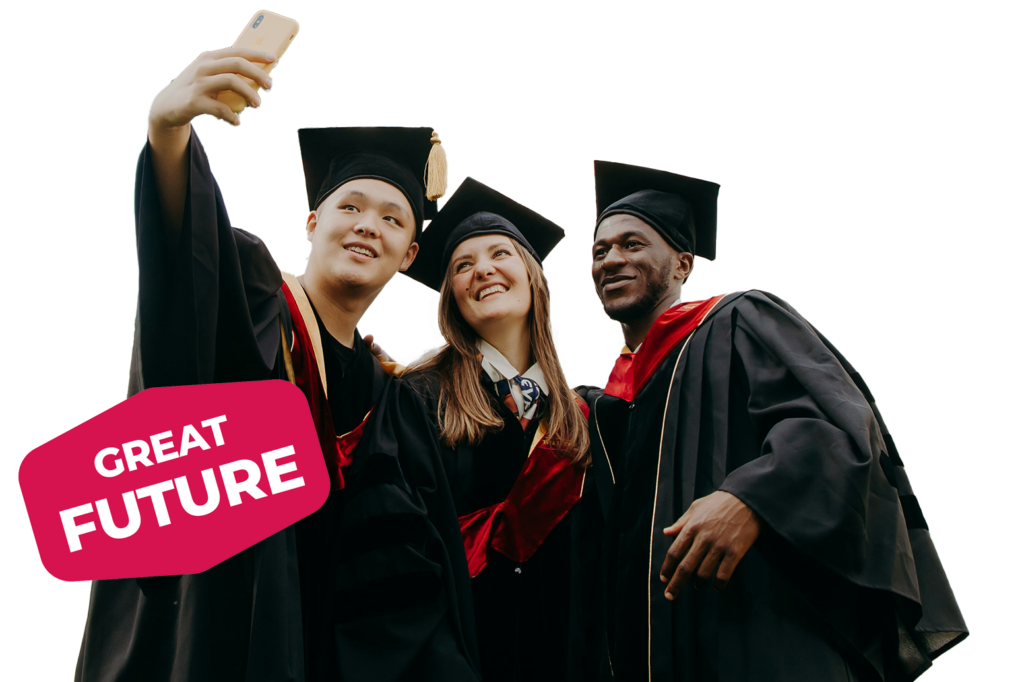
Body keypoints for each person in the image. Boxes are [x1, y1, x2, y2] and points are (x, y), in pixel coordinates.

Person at [74, 46, 478, 682]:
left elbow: (415, 575)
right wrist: (168, 132)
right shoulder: (253, 294)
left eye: (392, 218)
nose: (368, 225)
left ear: (407, 255)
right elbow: (186, 261)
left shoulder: (391, 399)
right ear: (313, 222)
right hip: (212, 629)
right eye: (350, 207)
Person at [577, 160, 970, 681]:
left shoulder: (739, 320)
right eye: (600, 251)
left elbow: (835, 426)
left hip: (763, 638)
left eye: (632, 244)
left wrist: (751, 498)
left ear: (683, 264)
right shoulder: (609, 405)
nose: (611, 259)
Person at [389, 177, 605, 681]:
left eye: (500, 253)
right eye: (462, 265)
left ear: (533, 275)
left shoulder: (585, 416)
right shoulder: (418, 399)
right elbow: (397, 555)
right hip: (456, 663)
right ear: (452, 297)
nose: (482, 269)